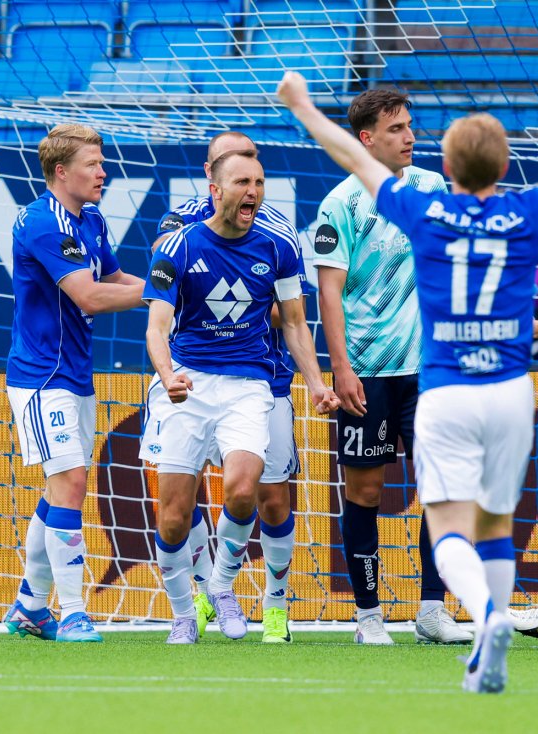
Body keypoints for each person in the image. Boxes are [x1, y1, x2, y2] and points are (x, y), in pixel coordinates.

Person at [278, 60, 538, 692]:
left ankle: (486, 614)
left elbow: (352, 158)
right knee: (493, 523)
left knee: (445, 527)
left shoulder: (425, 211)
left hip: (444, 389)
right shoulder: (528, 211)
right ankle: (489, 630)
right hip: (507, 392)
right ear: (502, 170)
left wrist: (304, 108)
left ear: (448, 165)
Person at [141, 149, 339, 644]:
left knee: (247, 490)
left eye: (259, 181)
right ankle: (184, 613)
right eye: (243, 182)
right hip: (186, 381)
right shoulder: (178, 246)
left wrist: (317, 382)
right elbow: (157, 326)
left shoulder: (278, 245)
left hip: (250, 383)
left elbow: (294, 322)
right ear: (215, 189)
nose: (253, 191)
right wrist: (166, 376)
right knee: (172, 518)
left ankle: (222, 587)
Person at [313, 89, 469, 645]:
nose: (409, 136)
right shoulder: (340, 204)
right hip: (369, 370)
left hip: (430, 370)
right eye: (397, 128)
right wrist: (342, 369)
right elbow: (329, 296)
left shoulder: (431, 188)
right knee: (365, 492)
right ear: (367, 139)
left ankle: (432, 609)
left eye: (410, 126)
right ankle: (369, 616)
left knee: (441, 489)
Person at [3, 123, 146, 643]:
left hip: (75, 376)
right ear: (62, 172)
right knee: (72, 483)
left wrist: (170, 290)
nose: (104, 171)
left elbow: (114, 278)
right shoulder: (42, 223)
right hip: (41, 378)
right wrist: (165, 294)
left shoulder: (92, 219)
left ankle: (28, 605)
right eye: (93, 163)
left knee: (60, 488)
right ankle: (73, 612)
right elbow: (90, 297)